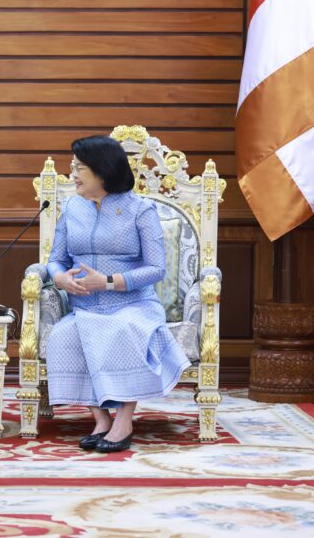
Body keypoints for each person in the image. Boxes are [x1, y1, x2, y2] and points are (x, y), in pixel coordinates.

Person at [45, 135, 190, 453]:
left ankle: (124, 422)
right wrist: (60, 278)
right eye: (73, 167)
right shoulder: (72, 208)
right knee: (64, 335)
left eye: (79, 168)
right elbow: (56, 259)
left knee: (123, 330)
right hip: (85, 307)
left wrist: (109, 281)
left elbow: (156, 269)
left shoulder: (141, 210)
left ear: (102, 171)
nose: (72, 174)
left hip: (133, 304)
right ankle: (101, 421)